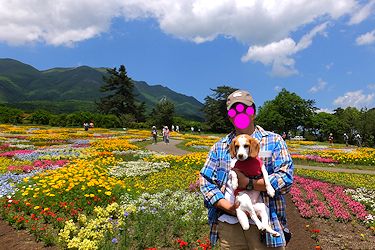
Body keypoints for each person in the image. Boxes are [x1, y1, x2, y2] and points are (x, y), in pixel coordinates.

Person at [200, 90, 293, 250]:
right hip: (229, 225)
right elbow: (205, 182)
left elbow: (285, 178)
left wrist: (248, 183)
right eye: (234, 111)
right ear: (229, 116)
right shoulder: (220, 147)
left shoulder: (273, 140)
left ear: (253, 113)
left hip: (265, 222)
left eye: (244, 109)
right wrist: (228, 207)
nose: (239, 114)